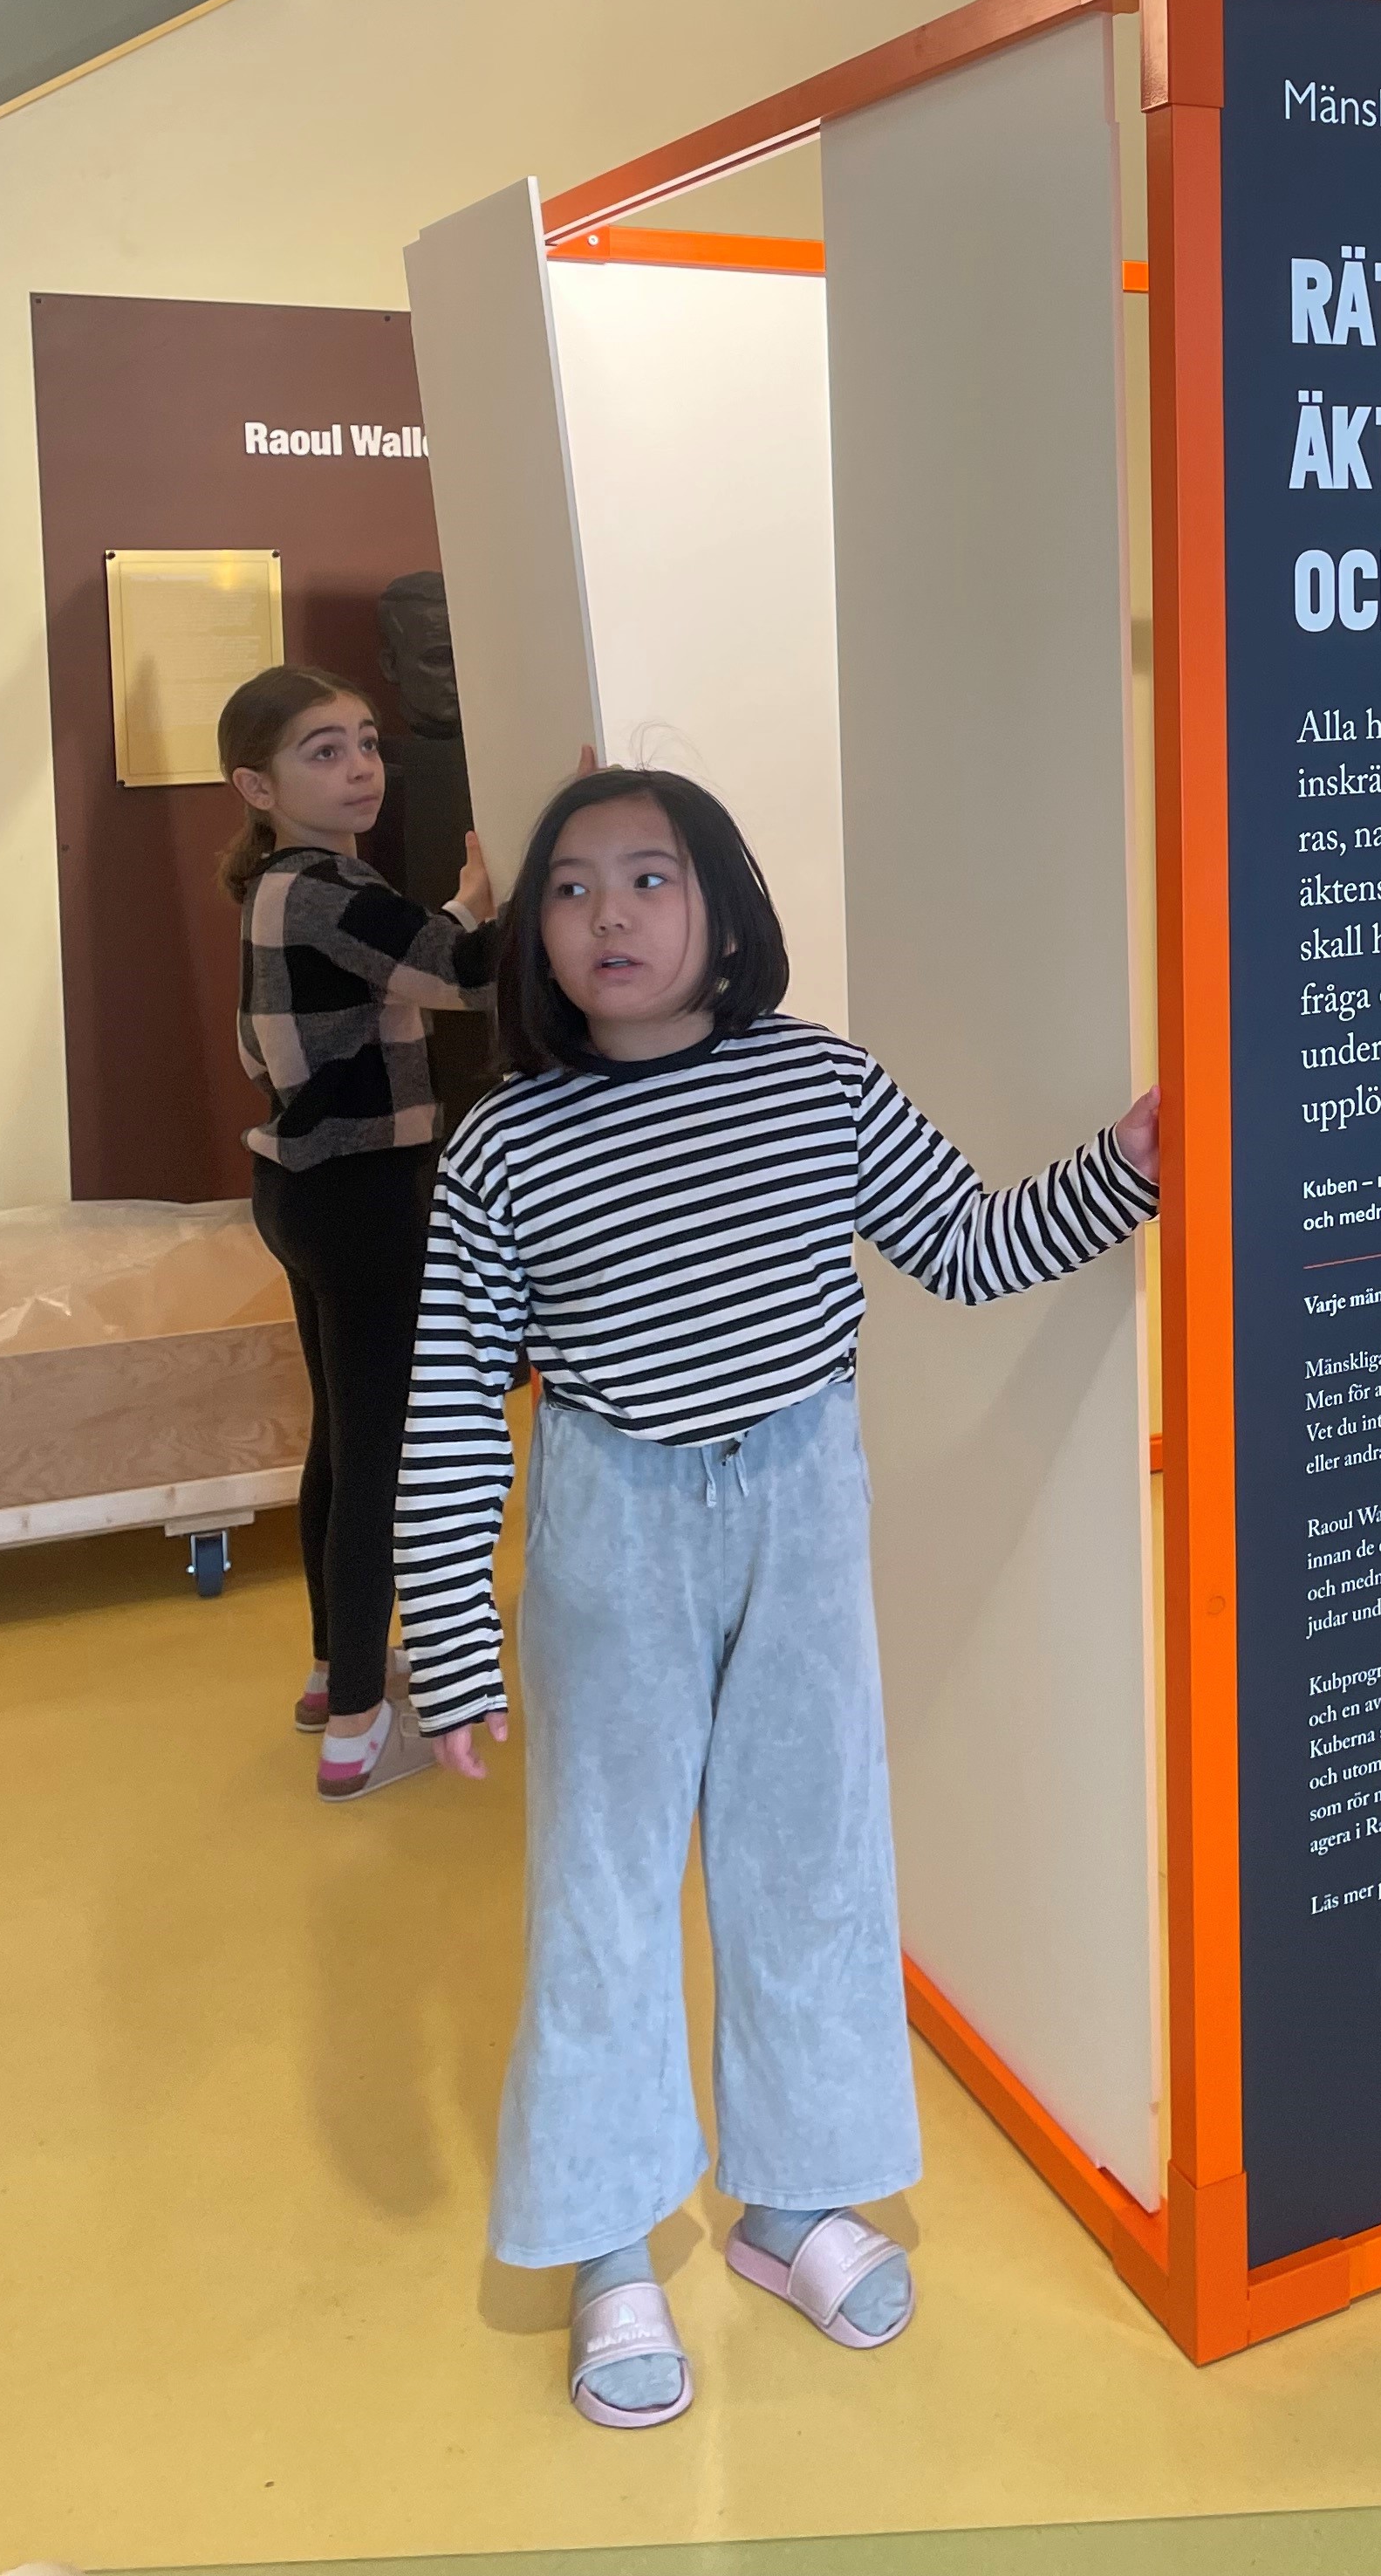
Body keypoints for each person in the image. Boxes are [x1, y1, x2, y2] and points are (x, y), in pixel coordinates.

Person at [391, 767, 1160, 2431]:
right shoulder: (506, 1142)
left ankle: (794, 2203)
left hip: (803, 1502)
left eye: (649, 878)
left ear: (724, 910)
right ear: (536, 937)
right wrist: (449, 1637)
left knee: (813, 1858)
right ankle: (607, 2237)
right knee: (602, 1891)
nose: (608, 914)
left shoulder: (822, 1083)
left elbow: (967, 1246)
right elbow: (450, 1398)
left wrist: (1128, 1164)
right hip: (613, 1523)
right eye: (571, 888)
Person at [219, 663, 495, 1801]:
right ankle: (357, 1727)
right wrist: (537, 888)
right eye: (324, 751)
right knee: (382, 1454)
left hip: (304, 1190)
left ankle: (337, 1670)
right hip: (365, 1195)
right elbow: (465, 977)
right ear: (258, 786)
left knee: (343, 1439)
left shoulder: (287, 886)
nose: (361, 768)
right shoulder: (326, 886)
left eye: (368, 742)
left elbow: (411, 967)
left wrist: (466, 902)